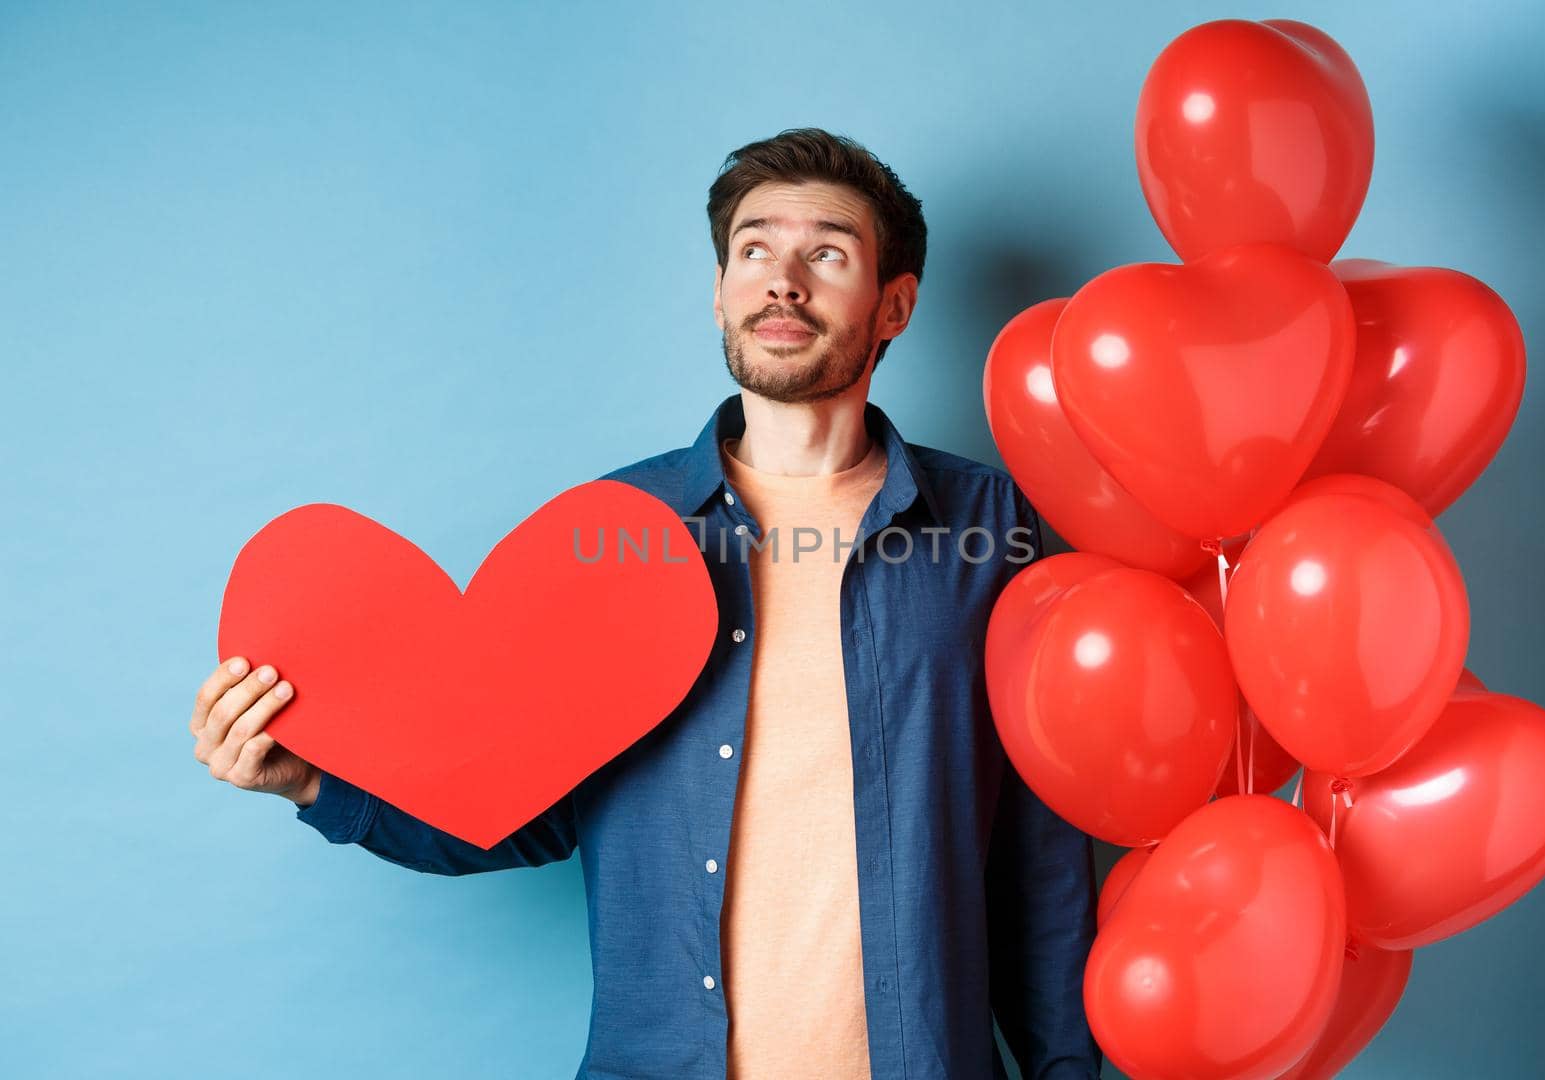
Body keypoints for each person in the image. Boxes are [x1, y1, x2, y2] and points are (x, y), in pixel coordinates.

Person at [190, 128, 1100, 1080]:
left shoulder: (993, 531)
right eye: (753, 249)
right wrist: (312, 782)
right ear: (719, 293)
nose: (781, 280)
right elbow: (519, 807)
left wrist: (1064, 1066)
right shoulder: (613, 536)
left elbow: (1037, 853)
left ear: (895, 305)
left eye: (826, 253)